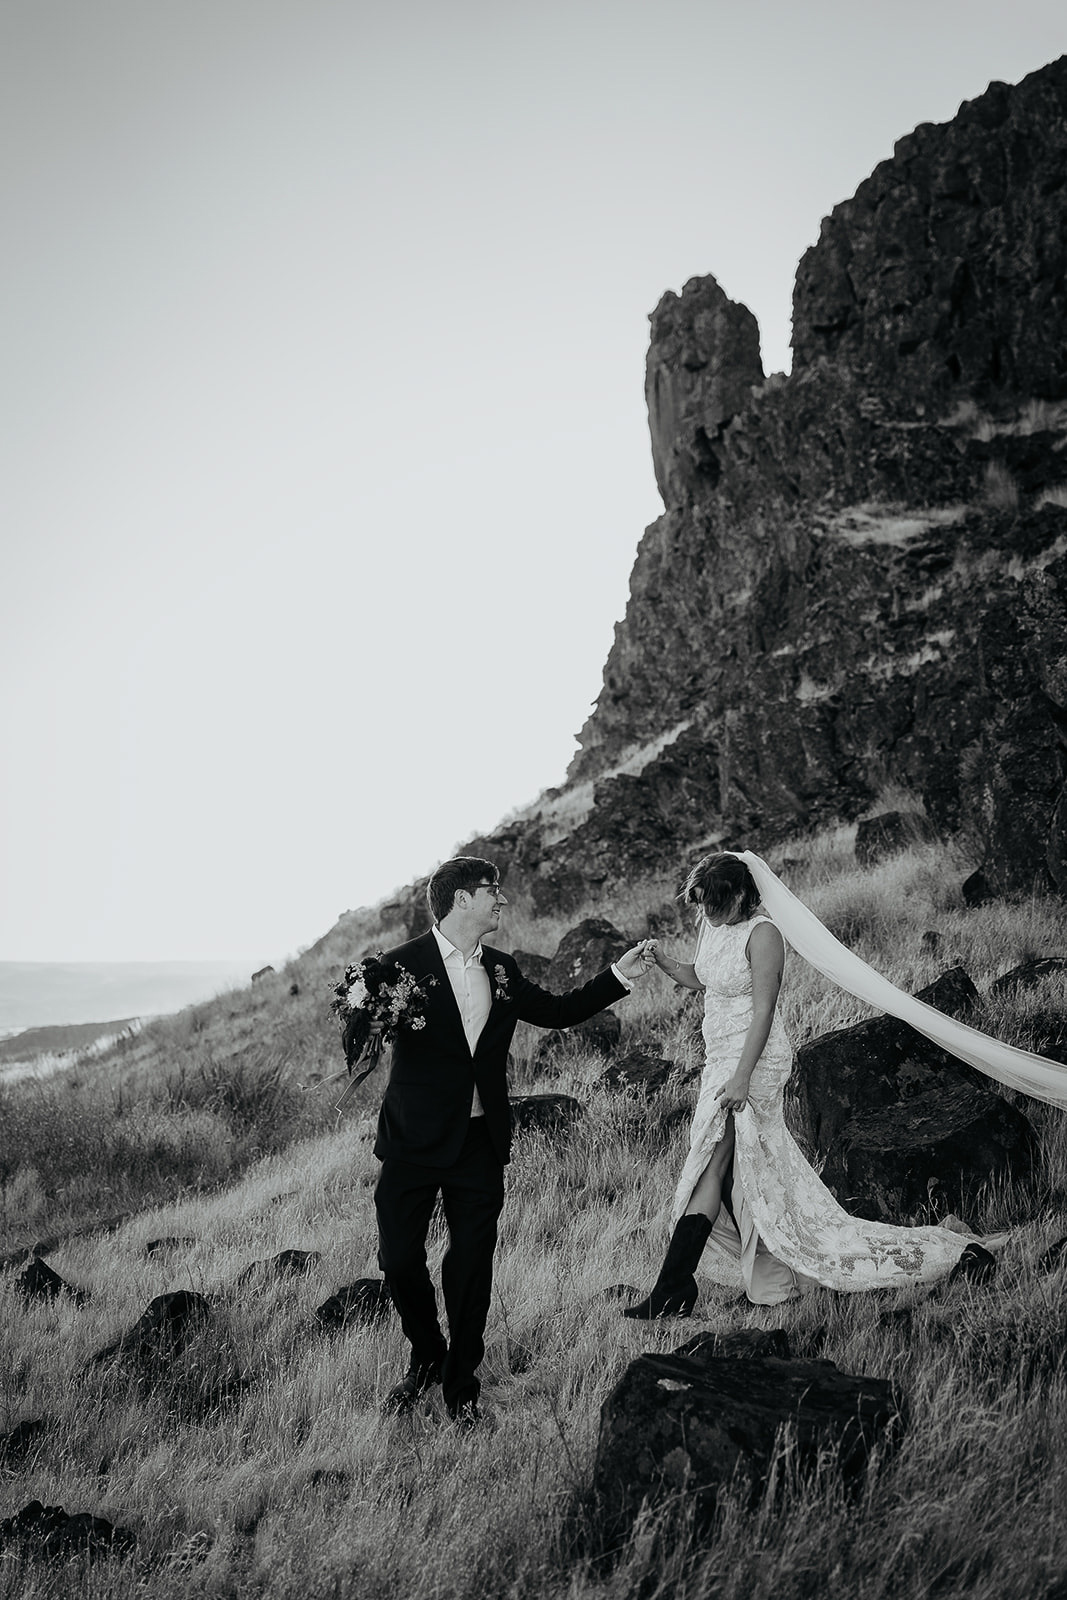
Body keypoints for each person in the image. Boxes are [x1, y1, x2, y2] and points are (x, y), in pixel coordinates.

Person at [624, 849, 1067, 1316]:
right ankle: (750, 1275)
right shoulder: (715, 928)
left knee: (710, 1164)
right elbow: (702, 978)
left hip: (751, 1066)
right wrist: (662, 960)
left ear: (740, 893)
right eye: (700, 904)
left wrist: (741, 1078)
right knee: (743, 1172)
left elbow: (763, 1012)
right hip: (721, 1062)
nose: (707, 913)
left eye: (713, 902)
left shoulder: (765, 934)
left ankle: (673, 1288)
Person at [356, 856, 654, 1424]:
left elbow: (561, 1012)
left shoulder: (501, 968)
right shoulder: (397, 967)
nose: (502, 901)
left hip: (478, 1141)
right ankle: (425, 1357)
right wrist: (364, 1024)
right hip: (412, 1143)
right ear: (461, 899)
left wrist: (618, 976)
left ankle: (460, 1382)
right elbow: (362, 1033)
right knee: (398, 1261)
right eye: (493, 891)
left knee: (471, 1263)